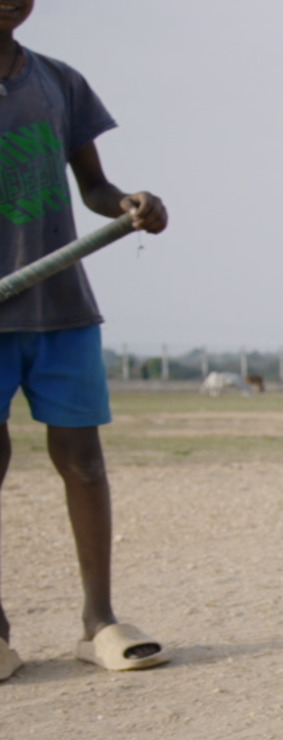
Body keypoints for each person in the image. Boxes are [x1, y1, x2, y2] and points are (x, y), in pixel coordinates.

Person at [0, 0, 170, 682]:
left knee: (84, 461)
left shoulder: (59, 82)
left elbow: (93, 186)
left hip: (61, 307)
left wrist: (131, 204)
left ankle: (98, 621)